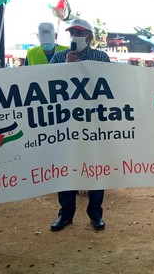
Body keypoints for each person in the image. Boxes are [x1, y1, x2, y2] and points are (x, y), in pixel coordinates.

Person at [49, 18, 110, 232]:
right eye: (71, 32)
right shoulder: (58, 57)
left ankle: (95, 213)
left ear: (90, 36)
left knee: (95, 166)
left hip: (93, 121)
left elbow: (106, 85)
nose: (74, 36)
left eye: (78, 32)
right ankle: (65, 214)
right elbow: (47, 85)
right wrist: (67, 68)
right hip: (65, 123)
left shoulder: (101, 57)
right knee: (65, 167)